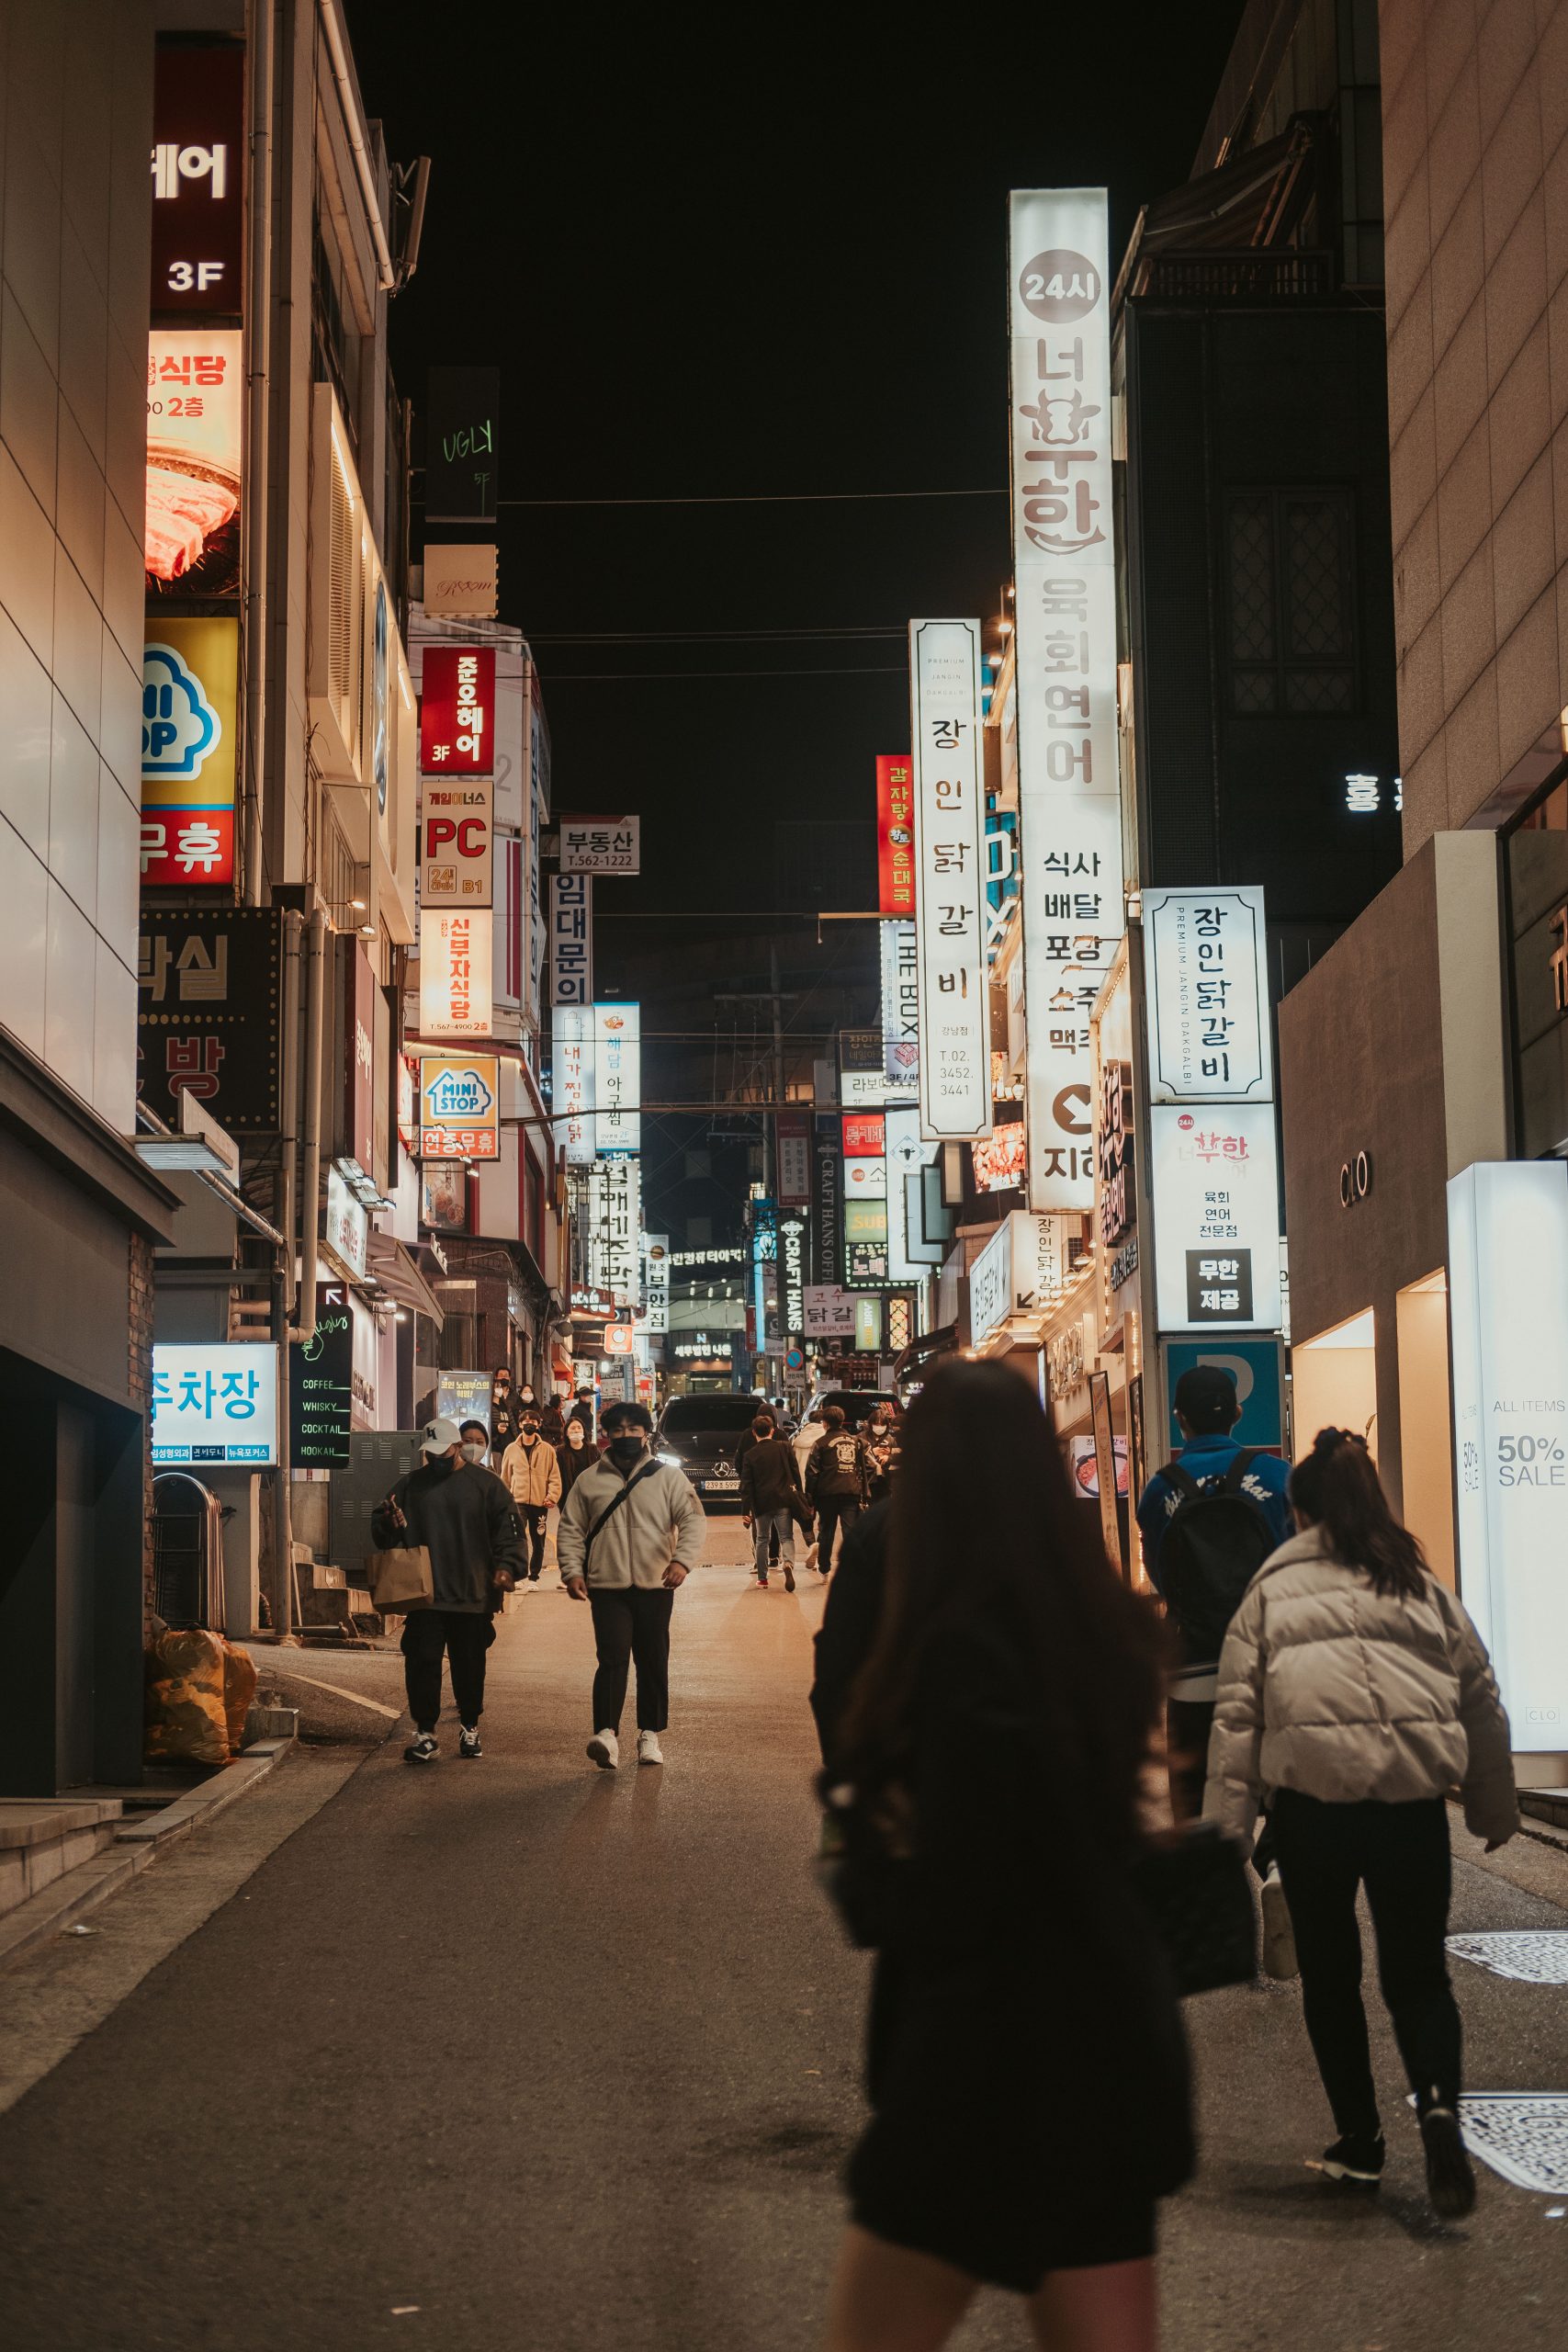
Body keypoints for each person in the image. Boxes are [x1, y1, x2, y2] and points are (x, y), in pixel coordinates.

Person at [820, 1363, 1190, 2352]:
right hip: (1113, 2051)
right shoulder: (1097, 1626)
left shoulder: (950, 1652)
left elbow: (946, 1893)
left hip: (977, 2069)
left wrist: (864, 1838)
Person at [1206, 1427, 1517, 2219]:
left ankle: (1361, 2143)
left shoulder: (1269, 1592)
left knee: (1333, 1980)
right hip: (1410, 1812)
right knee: (1418, 1978)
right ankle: (1439, 2111)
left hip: (1312, 1816)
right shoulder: (1418, 1585)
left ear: (1298, 1514)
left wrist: (1224, 1834)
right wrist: (1492, 1803)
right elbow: (1478, 1694)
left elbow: (1236, 1720)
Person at [558, 1399, 705, 1770]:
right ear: (606, 1435)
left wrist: (681, 1562)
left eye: (633, 1429)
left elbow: (692, 1520)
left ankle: (649, 1735)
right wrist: (572, 1571)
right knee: (612, 1658)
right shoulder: (589, 1480)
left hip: (656, 1585)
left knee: (653, 1659)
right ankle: (606, 1734)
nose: (626, 1436)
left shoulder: (668, 1477)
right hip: (606, 1586)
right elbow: (571, 1529)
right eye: (618, 1430)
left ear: (645, 1433)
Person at [371, 1416, 524, 1763]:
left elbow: (509, 1529)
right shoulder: (410, 1485)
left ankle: (470, 1726)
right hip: (424, 1593)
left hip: (472, 1593)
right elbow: (381, 1529)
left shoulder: (487, 1485)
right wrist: (387, 1523)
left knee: (469, 1664)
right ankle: (425, 1732)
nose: (438, 1459)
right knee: (421, 1660)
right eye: (432, 1454)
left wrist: (507, 1567)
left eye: (445, 1452)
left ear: (458, 1447)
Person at [739, 1413, 807, 1591]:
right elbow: (795, 1472)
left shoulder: (750, 1455)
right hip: (783, 1499)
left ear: (754, 1433)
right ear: (772, 1430)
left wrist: (745, 1511)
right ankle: (788, 1564)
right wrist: (800, 1493)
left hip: (761, 1504)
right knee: (786, 1536)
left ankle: (762, 1579)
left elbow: (746, 1485)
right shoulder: (784, 1447)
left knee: (762, 1539)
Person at [499, 1408, 562, 1582]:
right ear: (519, 1424)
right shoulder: (511, 1449)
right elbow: (505, 1477)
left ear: (538, 1424)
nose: (529, 1424)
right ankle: (519, 1575)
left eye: (533, 1422)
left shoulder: (548, 1450)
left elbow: (554, 1476)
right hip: (517, 1501)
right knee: (518, 1538)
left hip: (540, 1502)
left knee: (539, 1541)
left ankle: (534, 1576)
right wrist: (505, 1500)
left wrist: (552, 1496)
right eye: (526, 1422)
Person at [806, 1404, 869, 1574]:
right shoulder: (856, 1442)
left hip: (827, 1494)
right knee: (850, 1531)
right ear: (842, 1421)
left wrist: (809, 1497)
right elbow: (864, 1467)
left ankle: (825, 1568)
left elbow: (812, 1472)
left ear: (824, 1423)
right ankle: (852, 1567)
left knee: (826, 1531)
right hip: (851, 1492)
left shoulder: (820, 1443)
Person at [863, 1402, 901, 1503]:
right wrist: (871, 1452)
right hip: (868, 1480)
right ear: (871, 1424)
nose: (879, 1427)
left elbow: (899, 1456)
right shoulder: (862, 1437)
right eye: (876, 1424)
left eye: (882, 1425)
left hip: (886, 1480)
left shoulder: (890, 1439)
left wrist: (888, 1457)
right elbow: (855, 1456)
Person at [557, 1414, 594, 1504]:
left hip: (590, 1496)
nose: (576, 1431)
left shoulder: (593, 1449)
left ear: (584, 1431)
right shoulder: (560, 1452)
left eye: (579, 1427)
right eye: (572, 1428)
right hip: (569, 1497)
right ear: (566, 1432)